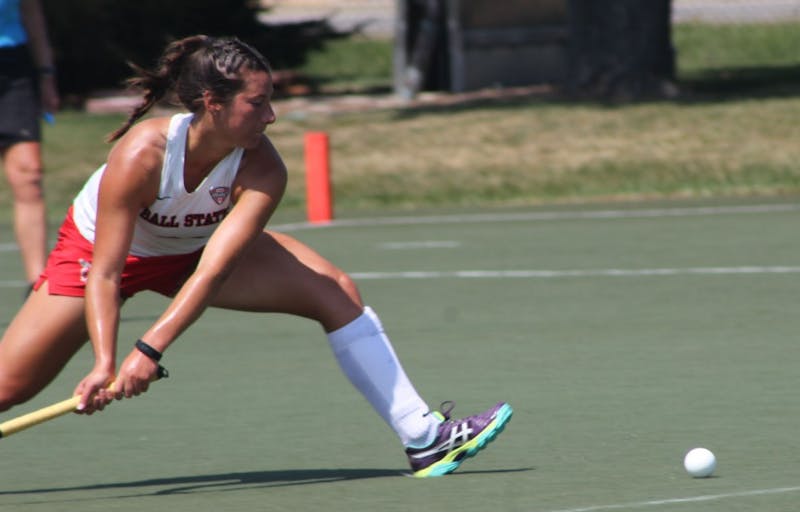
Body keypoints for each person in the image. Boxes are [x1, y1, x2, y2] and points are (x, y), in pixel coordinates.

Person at [0, 35, 511, 477]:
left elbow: (215, 269)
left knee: (333, 290)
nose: (271, 115)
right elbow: (107, 273)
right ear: (212, 102)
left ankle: (423, 437)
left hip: (192, 252)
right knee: (9, 386)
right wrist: (107, 362)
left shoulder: (263, 167)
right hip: (101, 256)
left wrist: (150, 349)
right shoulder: (142, 155)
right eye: (257, 103)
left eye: (271, 101)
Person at [0, 0, 59, 290]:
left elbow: (32, 13)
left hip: (13, 66)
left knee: (29, 174)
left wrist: (46, 75)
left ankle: (36, 285)